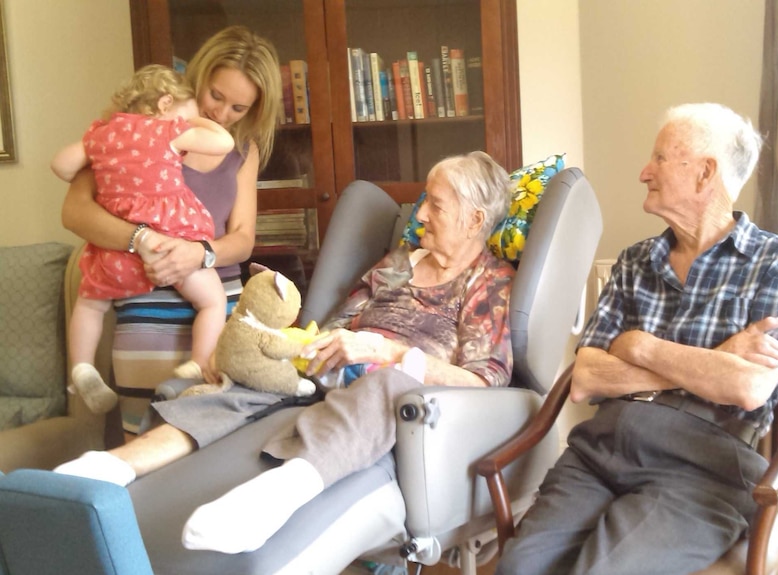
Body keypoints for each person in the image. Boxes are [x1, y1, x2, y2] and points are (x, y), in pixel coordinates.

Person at [56, 151, 517, 554]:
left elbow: (484, 379)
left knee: (387, 385)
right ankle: (108, 467)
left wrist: (388, 351)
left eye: (435, 206)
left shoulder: (489, 283)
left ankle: (278, 495)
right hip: (327, 369)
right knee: (244, 382)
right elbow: (339, 323)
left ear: (474, 220)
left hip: (397, 394)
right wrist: (276, 347)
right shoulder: (400, 262)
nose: (419, 217)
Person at [495, 103, 778, 575]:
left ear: (706, 173)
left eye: (661, 159)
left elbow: (747, 388)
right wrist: (717, 359)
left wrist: (640, 345)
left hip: (703, 468)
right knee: (516, 568)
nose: (645, 172)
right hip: (599, 453)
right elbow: (585, 378)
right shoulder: (634, 261)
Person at [59, 25, 283, 431]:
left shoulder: (242, 151)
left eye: (239, 108)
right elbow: (75, 213)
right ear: (197, 79)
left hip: (220, 303)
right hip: (145, 306)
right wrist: (141, 240)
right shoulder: (137, 131)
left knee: (220, 445)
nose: (221, 114)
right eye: (215, 96)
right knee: (144, 437)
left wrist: (200, 253)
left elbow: (243, 238)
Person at [51, 64, 234, 414]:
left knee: (89, 303)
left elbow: (60, 165)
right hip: (169, 243)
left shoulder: (102, 134)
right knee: (212, 301)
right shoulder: (167, 131)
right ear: (166, 105)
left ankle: (81, 368)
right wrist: (193, 123)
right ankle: (197, 362)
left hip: (116, 251)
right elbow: (223, 141)